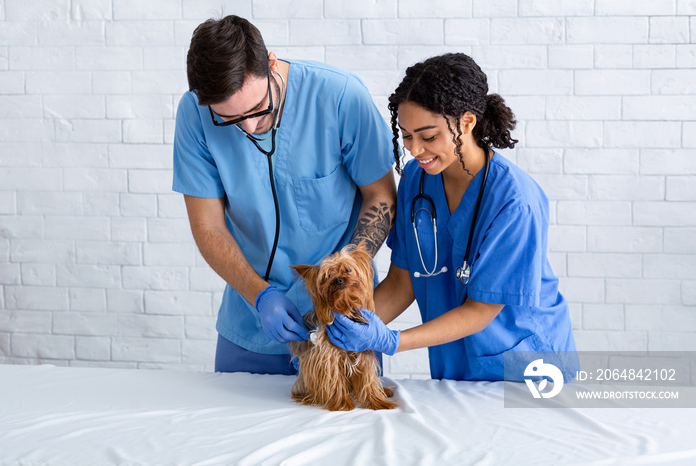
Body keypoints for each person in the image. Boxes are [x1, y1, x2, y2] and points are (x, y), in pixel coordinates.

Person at [326, 53, 578, 382]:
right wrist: (342, 331)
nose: (414, 150)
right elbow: (403, 282)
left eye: (428, 136)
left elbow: (481, 309)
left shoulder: (515, 203)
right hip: (456, 366)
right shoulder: (417, 180)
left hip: (527, 369)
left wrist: (392, 341)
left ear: (467, 122)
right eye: (406, 135)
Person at [173, 15, 396, 375]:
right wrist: (259, 295)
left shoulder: (341, 97)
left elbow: (382, 196)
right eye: (228, 119)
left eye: (258, 109)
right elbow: (208, 227)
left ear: (271, 64)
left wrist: (346, 275)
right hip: (251, 323)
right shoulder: (194, 113)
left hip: (341, 321)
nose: (247, 127)